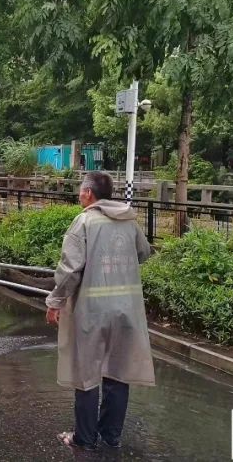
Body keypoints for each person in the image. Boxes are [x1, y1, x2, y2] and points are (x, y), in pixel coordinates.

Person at [45, 171, 155, 450]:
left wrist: (55, 302)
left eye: (81, 190)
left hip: (91, 311)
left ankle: (84, 439)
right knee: (118, 373)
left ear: (88, 194)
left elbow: (70, 270)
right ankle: (111, 436)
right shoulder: (129, 222)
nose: (80, 194)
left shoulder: (84, 221)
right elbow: (143, 252)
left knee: (86, 373)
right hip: (126, 310)